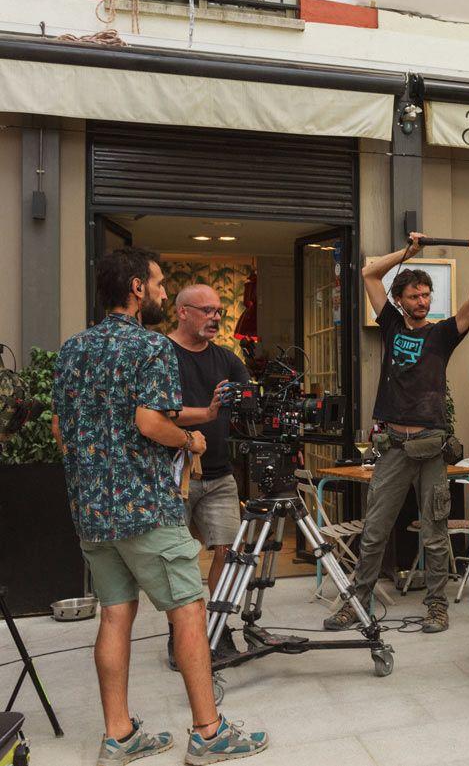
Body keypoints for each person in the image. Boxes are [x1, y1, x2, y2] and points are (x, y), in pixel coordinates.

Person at [51, 247, 267, 766]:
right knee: (189, 611)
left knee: (115, 615)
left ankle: (119, 737)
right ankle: (209, 733)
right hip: (146, 508)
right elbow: (151, 423)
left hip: (92, 512)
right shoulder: (150, 347)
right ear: (135, 287)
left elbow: (60, 431)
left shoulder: (73, 348)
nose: (164, 293)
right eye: (159, 283)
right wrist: (190, 442)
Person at [325, 231, 469, 634]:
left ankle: (437, 607)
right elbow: (369, 276)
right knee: (375, 531)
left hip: (430, 446)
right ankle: (355, 602)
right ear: (400, 299)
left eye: (426, 295)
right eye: (415, 295)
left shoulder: (442, 334)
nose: (422, 301)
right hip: (394, 447)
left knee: (435, 534)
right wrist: (407, 252)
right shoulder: (390, 325)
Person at [167, 283, 251, 663]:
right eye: (206, 310)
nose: (215, 317)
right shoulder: (161, 355)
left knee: (228, 551)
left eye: (218, 311)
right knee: (177, 559)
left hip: (219, 475)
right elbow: (153, 414)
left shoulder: (227, 359)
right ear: (183, 311)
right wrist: (207, 411)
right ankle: (180, 637)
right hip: (173, 477)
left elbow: (250, 400)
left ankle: (218, 630)